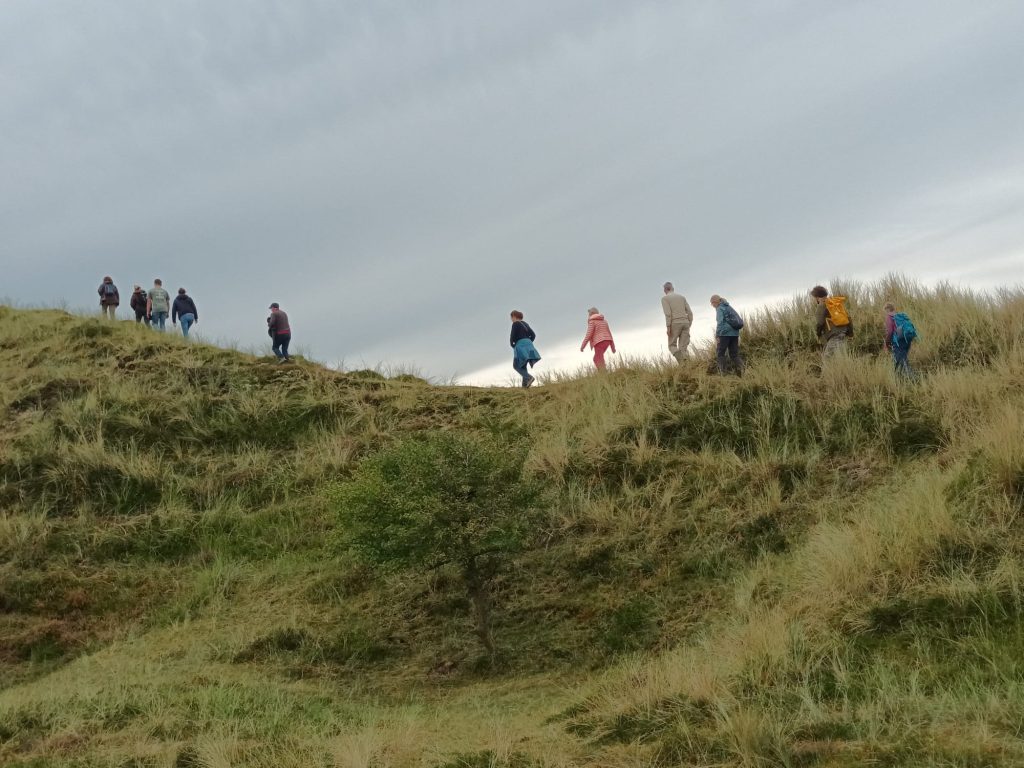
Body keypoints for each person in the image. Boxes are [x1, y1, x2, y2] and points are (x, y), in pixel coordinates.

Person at [811, 285, 854, 358]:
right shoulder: (834, 303)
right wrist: (850, 334)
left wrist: (818, 334)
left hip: (835, 336)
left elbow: (820, 322)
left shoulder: (821, 306)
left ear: (817, 298)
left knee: (827, 359)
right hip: (844, 333)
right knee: (840, 358)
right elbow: (848, 318)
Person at [711, 294, 743, 375]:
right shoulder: (728, 306)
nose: (712, 305)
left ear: (715, 301)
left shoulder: (719, 308)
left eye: (712, 303)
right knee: (734, 354)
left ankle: (723, 374)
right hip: (735, 333)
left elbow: (720, 323)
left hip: (724, 334)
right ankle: (743, 371)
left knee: (720, 353)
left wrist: (717, 335)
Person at [662, 282, 694, 362]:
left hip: (674, 323)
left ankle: (682, 363)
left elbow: (668, 314)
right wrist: (689, 323)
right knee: (683, 347)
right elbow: (690, 312)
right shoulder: (682, 297)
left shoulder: (665, 299)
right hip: (685, 322)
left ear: (665, 290)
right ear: (673, 288)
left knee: (671, 345)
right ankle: (689, 366)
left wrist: (668, 327)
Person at [884, 302, 917, 379]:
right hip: (907, 340)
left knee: (902, 361)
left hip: (898, 342)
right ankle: (896, 378)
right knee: (898, 360)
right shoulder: (900, 316)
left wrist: (886, 343)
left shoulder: (889, 317)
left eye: (885, 310)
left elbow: (890, 332)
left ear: (887, 309)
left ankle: (914, 379)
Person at [509, 310, 541, 388]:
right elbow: (533, 335)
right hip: (529, 345)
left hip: (521, 345)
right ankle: (525, 387)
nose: (511, 319)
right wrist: (529, 342)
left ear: (514, 316)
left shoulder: (515, 324)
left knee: (516, 366)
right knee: (523, 365)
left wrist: (512, 345)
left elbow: (512, 337)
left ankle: (529, 377)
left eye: (511, 317)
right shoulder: (525, 324)